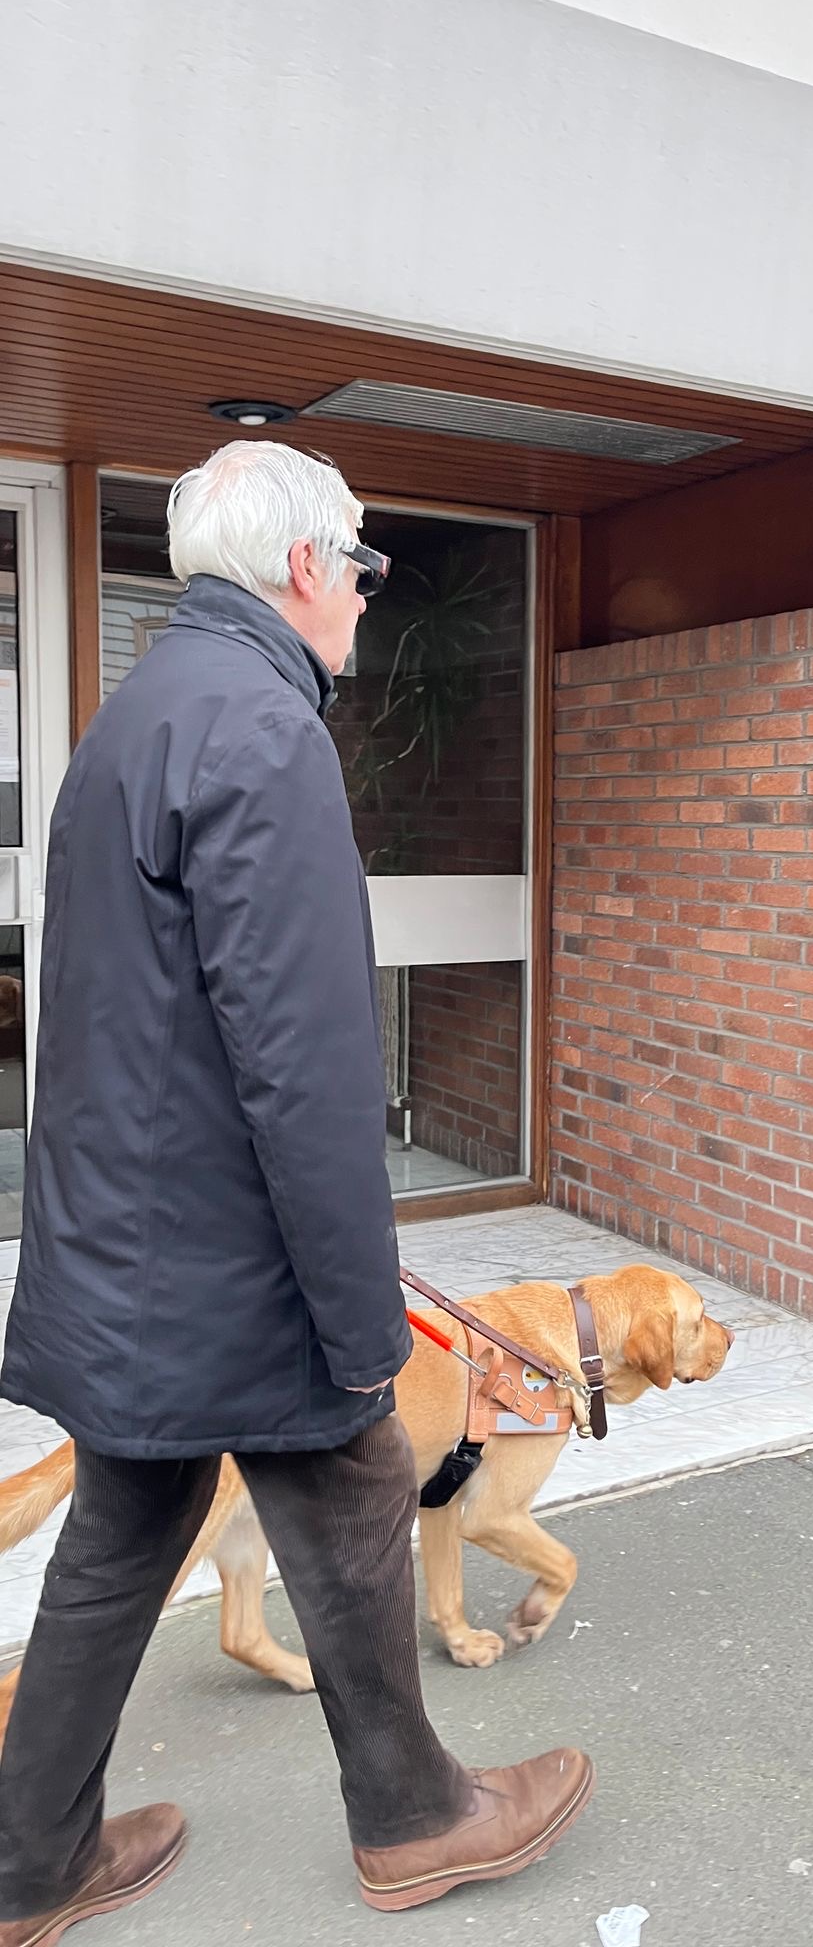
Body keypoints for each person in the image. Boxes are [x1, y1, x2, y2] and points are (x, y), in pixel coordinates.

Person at [0, 441, 593, 1942]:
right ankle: (415, 1821)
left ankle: (25, 1865)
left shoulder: (133, 719)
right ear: (312, 567)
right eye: (368, 571)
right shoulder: (262, 734)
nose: (366, 604)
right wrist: (359, 1315)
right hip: (228, 1263)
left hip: (132, 1248)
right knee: (356, 1486)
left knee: (124, 1530)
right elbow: (309, 1068)